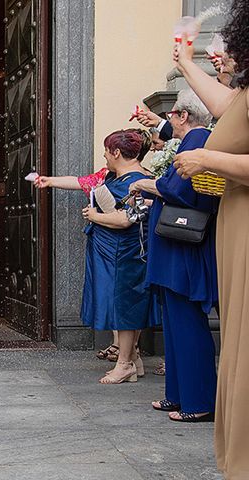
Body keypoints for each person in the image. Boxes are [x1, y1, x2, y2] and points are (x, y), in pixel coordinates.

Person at [171, 2, 249, 475]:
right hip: (236, 220)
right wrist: (184, 62)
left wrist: (207, 161)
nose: (227, 53)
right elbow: (225, 108)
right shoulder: (243, 93)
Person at [38, 130, 158, 383]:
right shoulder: (119, 176)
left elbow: (126, 219)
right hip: (115, 251)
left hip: (123, 253)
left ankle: (124, 363)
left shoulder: (136, 182)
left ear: (116, 153)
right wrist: (49, 180)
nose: (104, 155)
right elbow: (83, 182)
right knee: (126, 304)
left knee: (124, 306)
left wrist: (95, 216)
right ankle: (132, 359)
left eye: (106, 150)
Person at [130, 89, 218, 423]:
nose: (168, 122)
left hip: (183, 247)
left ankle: (198, 401)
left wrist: (144, 184)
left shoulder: (197, 140)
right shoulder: (193, 137)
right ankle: (178, 395)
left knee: (187, 323)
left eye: (171, 116)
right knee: (175, 322)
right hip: (175, 245)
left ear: (182, 115)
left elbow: (180, 189)